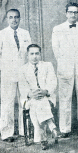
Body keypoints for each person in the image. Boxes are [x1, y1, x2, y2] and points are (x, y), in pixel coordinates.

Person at [52, 2, 78, 137]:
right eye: (70, 12)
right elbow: (56, 50)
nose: (73, 14)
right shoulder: (57, 29)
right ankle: (64, 129)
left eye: (75, 12)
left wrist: (76, 61)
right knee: (64, 98)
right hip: (65, 67)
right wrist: (65, 63)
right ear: (66, 13)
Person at [19, 44, 60, 150]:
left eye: (37, 53)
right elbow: (22, 86)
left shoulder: (47, 65)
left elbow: (53, 82)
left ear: (40, 54)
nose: (34, 56)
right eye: (31, 54)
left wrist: (45, 91)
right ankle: (52, 126)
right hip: (30, 98)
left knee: (38, 104)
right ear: (27, 55)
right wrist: (30, 94)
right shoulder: (23, 69)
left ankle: (43, 140)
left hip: (46, 96)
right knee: (35, 103)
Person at [0, 9, 32, 142]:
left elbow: (30, 53)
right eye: (11, 17)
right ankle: (6, 132)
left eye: (16, 17)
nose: (14, 20)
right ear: (7, 19)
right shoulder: (1, 34)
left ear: (20, 18)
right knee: (7, 102)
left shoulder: (25, 33)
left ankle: (24, 131)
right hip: (8, 73)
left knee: (24, 100)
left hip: (23, 73)